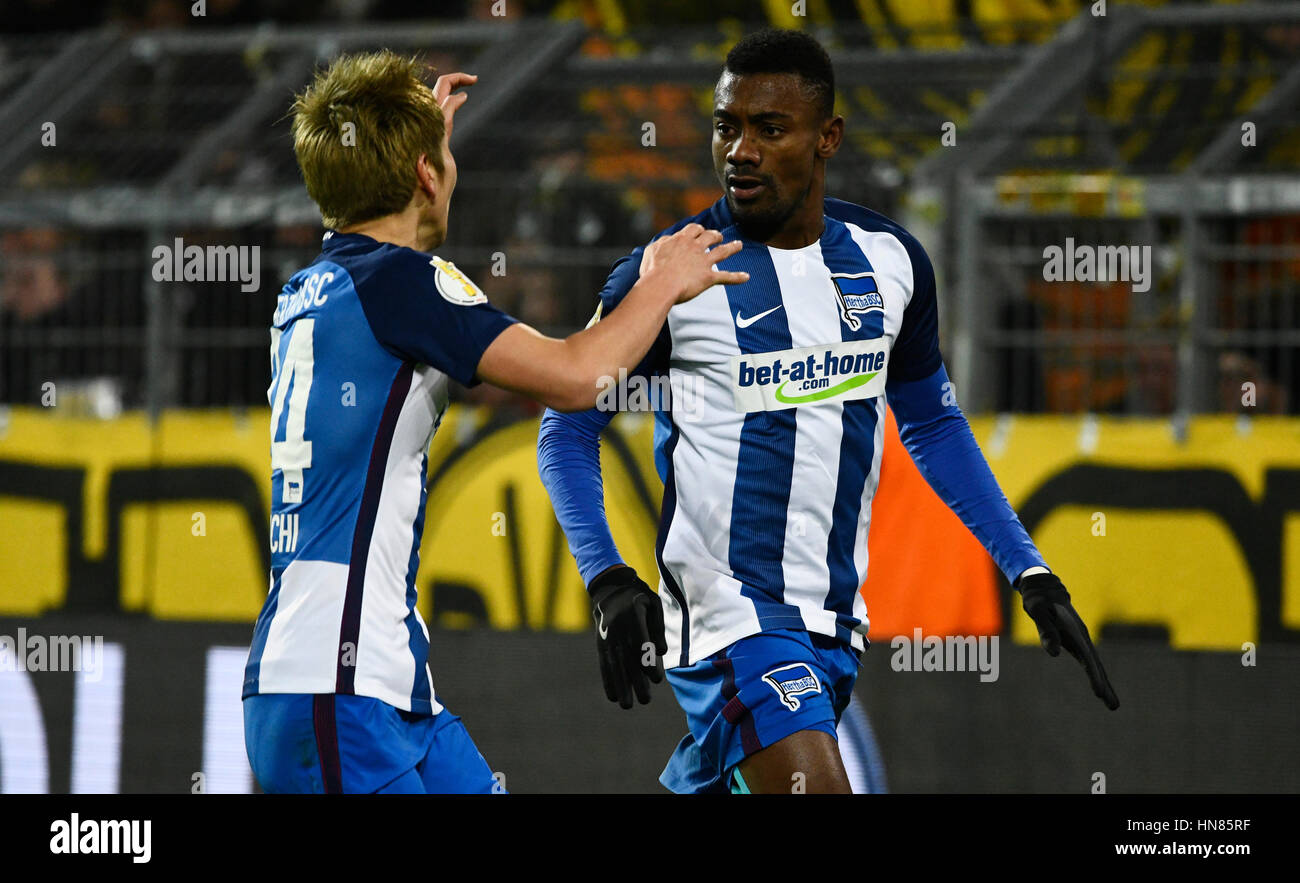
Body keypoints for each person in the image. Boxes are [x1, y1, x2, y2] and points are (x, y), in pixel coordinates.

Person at [537, 28, 1118, 795]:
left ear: (826, 138)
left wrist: (1029, 568)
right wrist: (607, 575)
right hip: (732, 626)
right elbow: (567, 426)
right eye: (726, 126)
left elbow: (933, 423)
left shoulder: (891, 262)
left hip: (835, 629)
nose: (739, 149)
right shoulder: (668, 276)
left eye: (768, 129)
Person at [241, 50, 748, 794]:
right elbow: (579, 378)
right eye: (443, 157)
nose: (454, 167)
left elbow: (389, 258)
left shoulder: (309, 291)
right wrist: (661, 285)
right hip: (339, 687)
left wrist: (417, 147)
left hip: (362, 676)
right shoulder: (406, 285)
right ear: (422, 175)